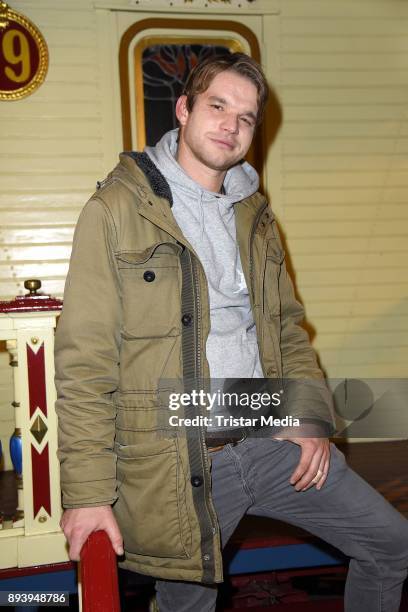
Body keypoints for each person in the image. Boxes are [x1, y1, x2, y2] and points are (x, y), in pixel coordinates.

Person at [55, 53, 408, 612]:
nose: (230, 125)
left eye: (245, 117)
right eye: (218, 106)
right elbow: (86, 363)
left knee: (391, 544)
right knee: (186, 603)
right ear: (184, 109)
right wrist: (88, 495)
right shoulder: (115, 210)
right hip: (179, 455)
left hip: (268, 431)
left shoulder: (255, 214)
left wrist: (310, 418)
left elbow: (288, 326)